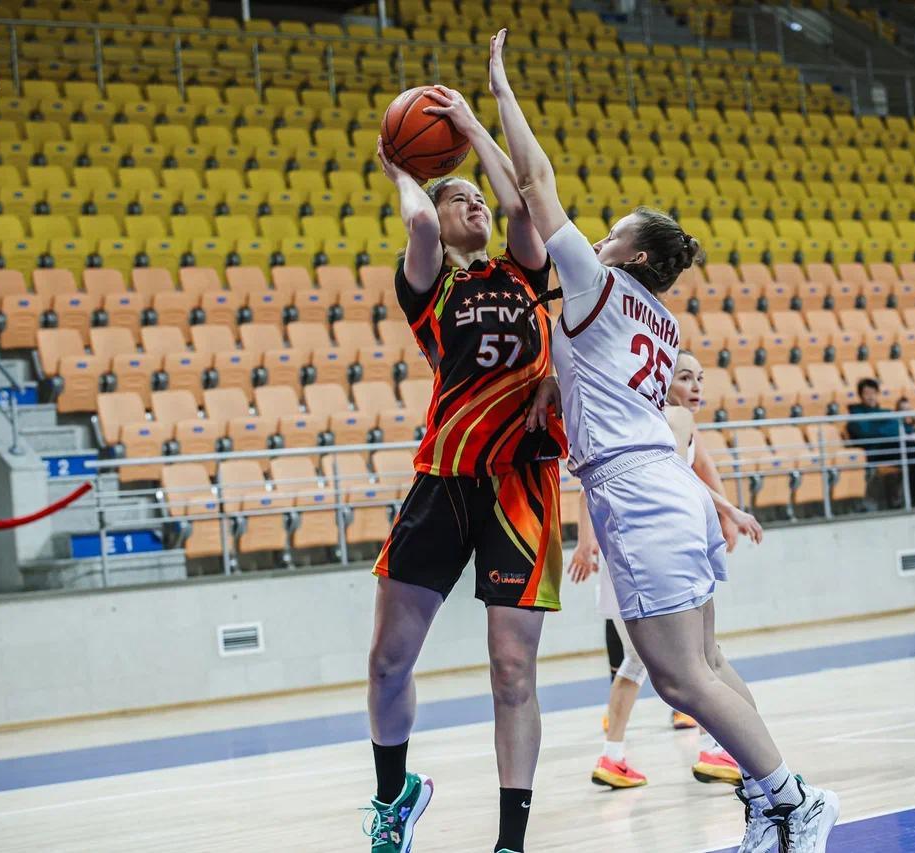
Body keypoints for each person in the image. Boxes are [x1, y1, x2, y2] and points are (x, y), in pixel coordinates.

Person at [489, 28, 838, 852]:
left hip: (638, 493)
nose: (596, 240)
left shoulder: (599, 283)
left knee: (680, 678)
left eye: (610, 233)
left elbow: (535, 186)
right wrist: (556, 382)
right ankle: (772, 805)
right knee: (707, 664)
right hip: (667, 485)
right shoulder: (661, 318)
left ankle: (795, 797)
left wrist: (497, 94)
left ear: (632, 254)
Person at [363, 86, 566, 853]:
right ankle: (394, 796)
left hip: (523, 487)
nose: (473, 203)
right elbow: (418, 221)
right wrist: (401, 169)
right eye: (458, 198)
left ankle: (511, 841)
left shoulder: (525, 271)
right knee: (388, 662)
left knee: (512, 670)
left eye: (477, 197)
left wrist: (476, 123)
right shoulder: (430, 285)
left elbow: (520, 200)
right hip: (444, 482)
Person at [565, 350, 763, 790]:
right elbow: (680, 477)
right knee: (699, 660)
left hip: (631, 554)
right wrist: (729, 512)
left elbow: (698, 471)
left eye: (700, 378)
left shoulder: (648, 421)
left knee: (642, 662)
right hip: (648, 555)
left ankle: (614, 756)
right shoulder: (669, 419)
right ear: (661, 380)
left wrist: (586, 542)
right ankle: (718, 748)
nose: (696, 387)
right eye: (686, 377)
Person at [847, 378, 915, 507]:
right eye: (867, 393)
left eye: (873, 393)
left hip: (893, 448)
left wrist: (909, 432)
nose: (871, 397)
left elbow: (904, 428)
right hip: (875, 453)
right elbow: (866, 435)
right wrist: (891, 431)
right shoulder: (855, 416)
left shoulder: (886, 413)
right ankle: (913, 498)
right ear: (860, 396)